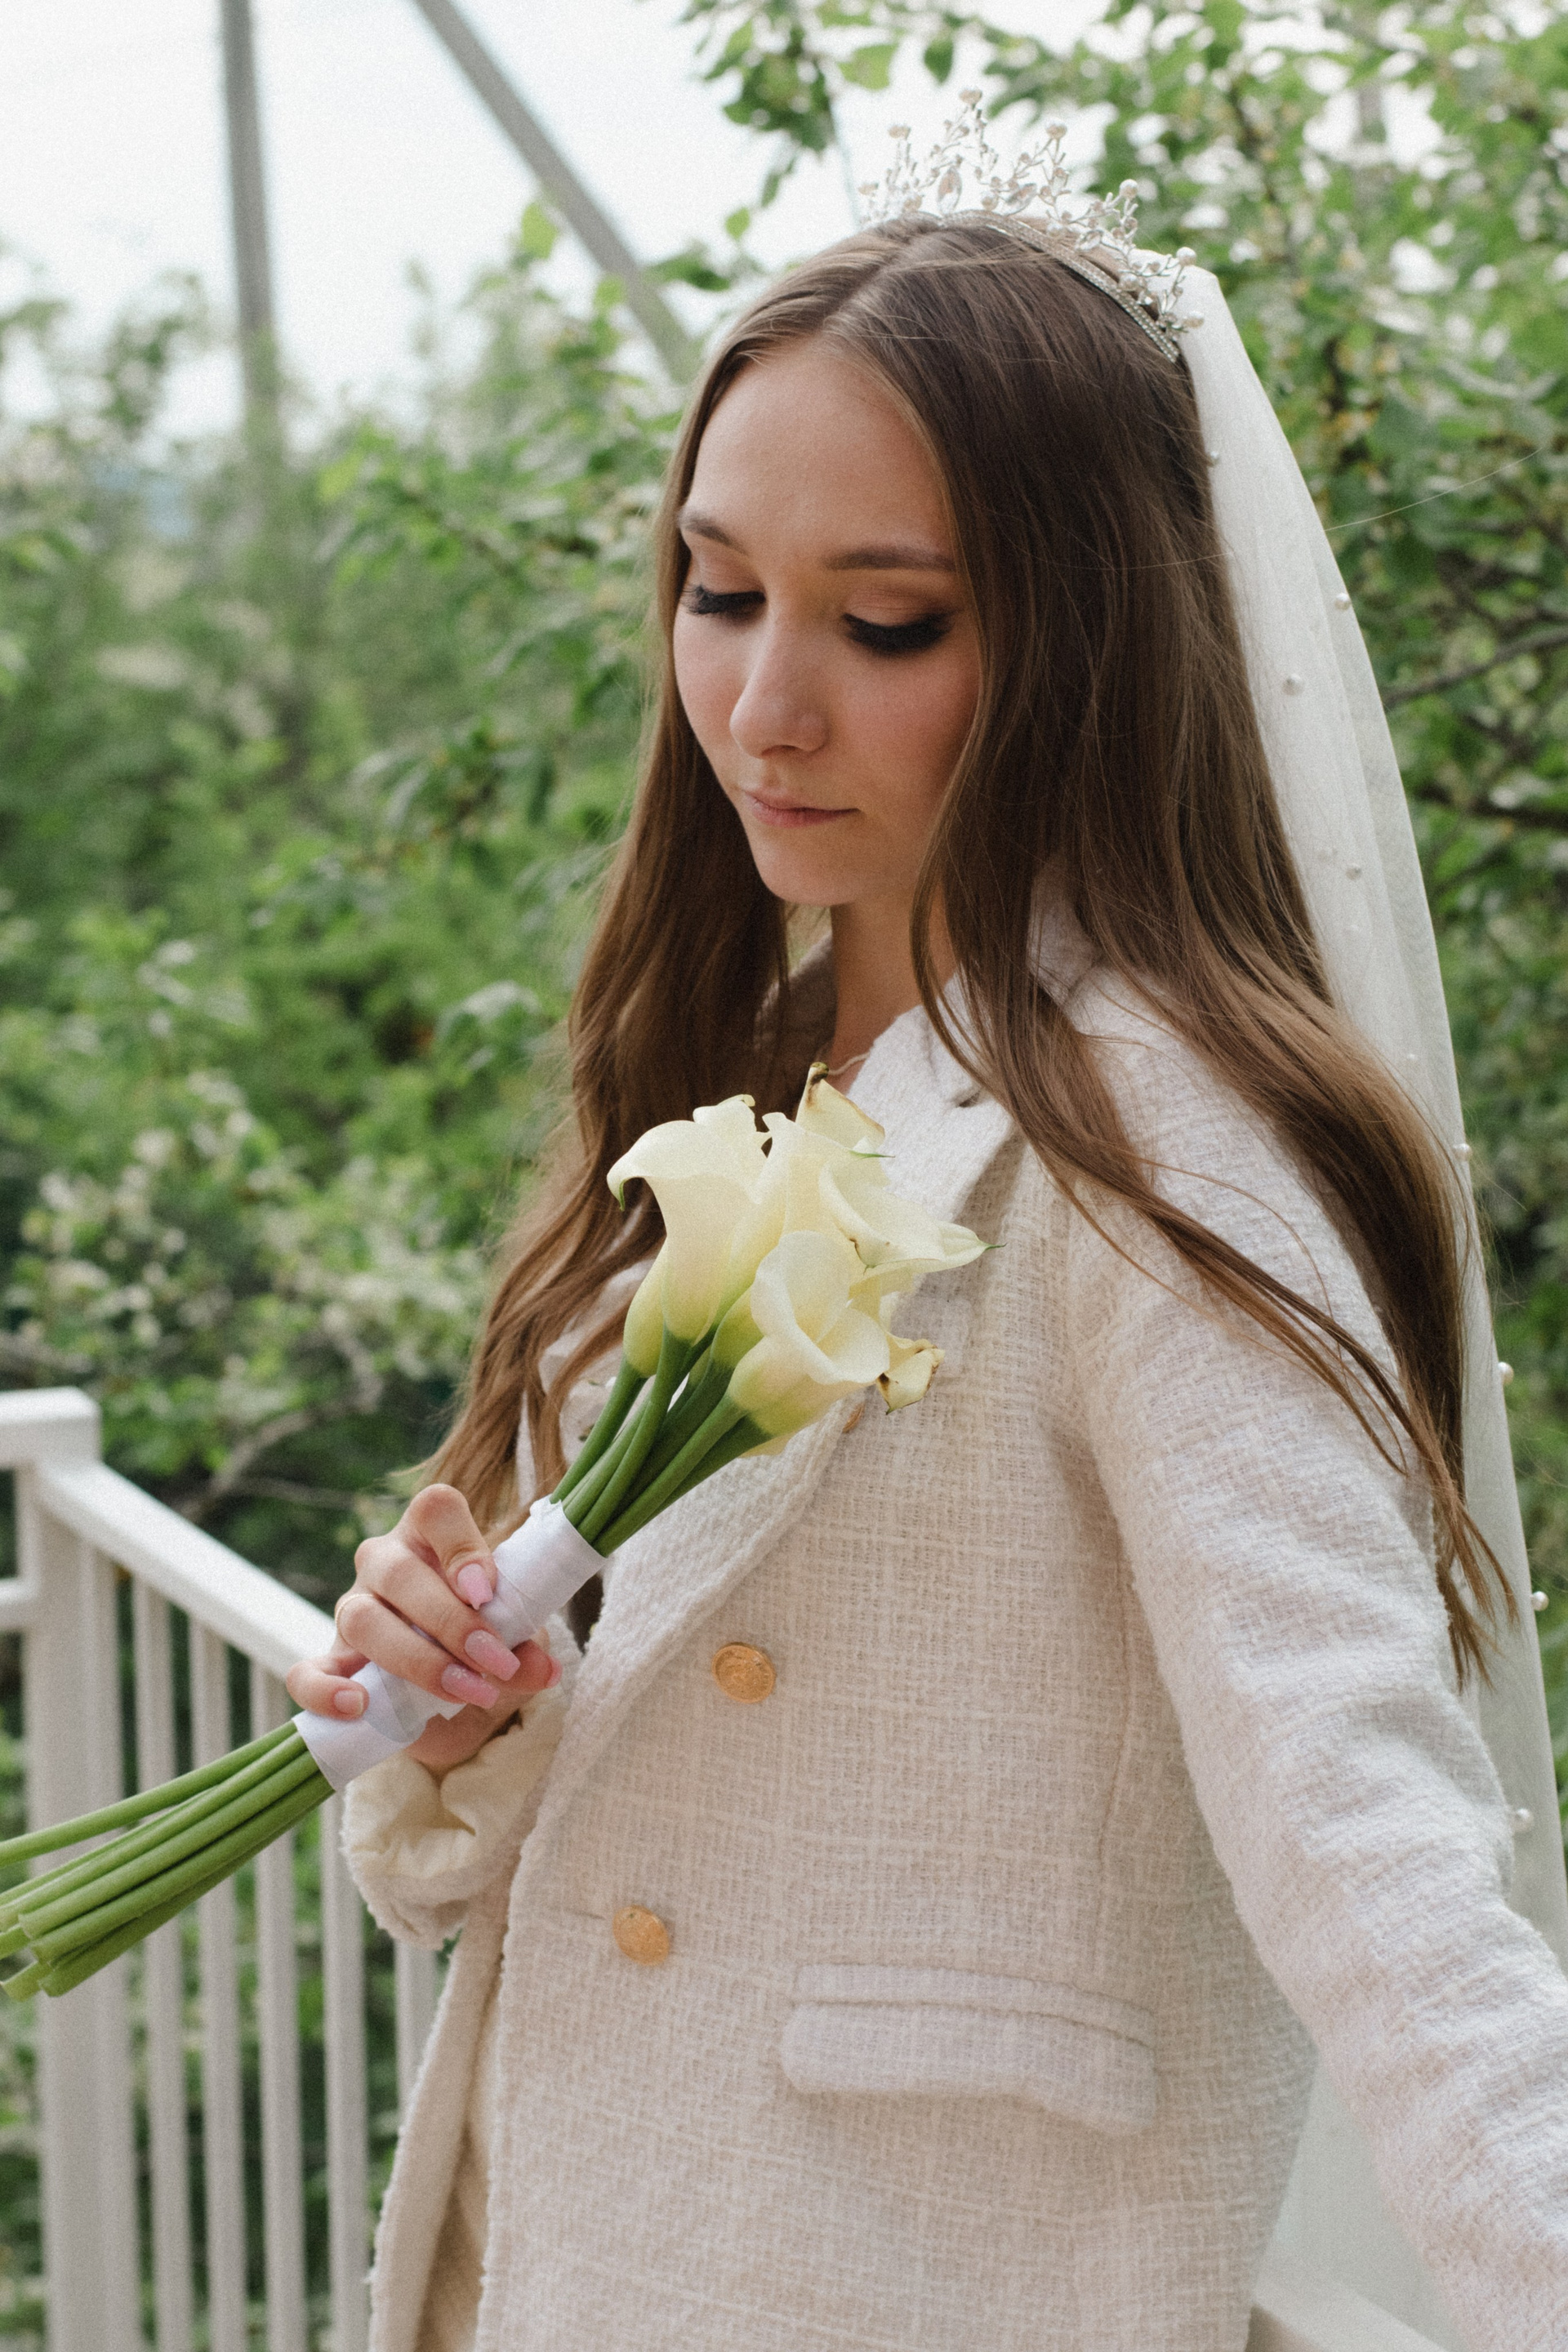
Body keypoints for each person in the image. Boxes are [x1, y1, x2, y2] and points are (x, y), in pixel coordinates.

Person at [287, 107, 1568, 2352]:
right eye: (719, 590)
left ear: (1087, 643)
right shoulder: (743, 1061)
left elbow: (1374, 1846)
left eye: (886, 621)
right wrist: (476, 1702)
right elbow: (624, 1798)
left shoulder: (1163, 1146)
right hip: (578, 2252)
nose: (760, 706)